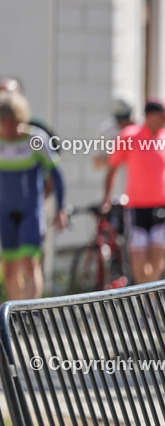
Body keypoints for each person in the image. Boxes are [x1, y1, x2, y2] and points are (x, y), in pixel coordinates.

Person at [102, 99, 165, 285]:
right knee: (139, 263)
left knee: (157, 260)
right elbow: (112, 168)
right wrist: (106, 200)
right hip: (136, 206)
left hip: (164, 205)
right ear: (150, 116)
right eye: (162, 116)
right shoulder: (129, 136)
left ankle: (151, 306)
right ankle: (147, 299)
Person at [0, 90, 67, 299]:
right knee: (10, 269)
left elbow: (56, 174)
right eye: (4, 123)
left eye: (13, 123)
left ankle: (31, 315)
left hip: (31, 210)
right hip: (5, 212)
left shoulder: (36, 138)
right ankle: (15, 319)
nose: (9, 129)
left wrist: (61, 208)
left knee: (29, 262)